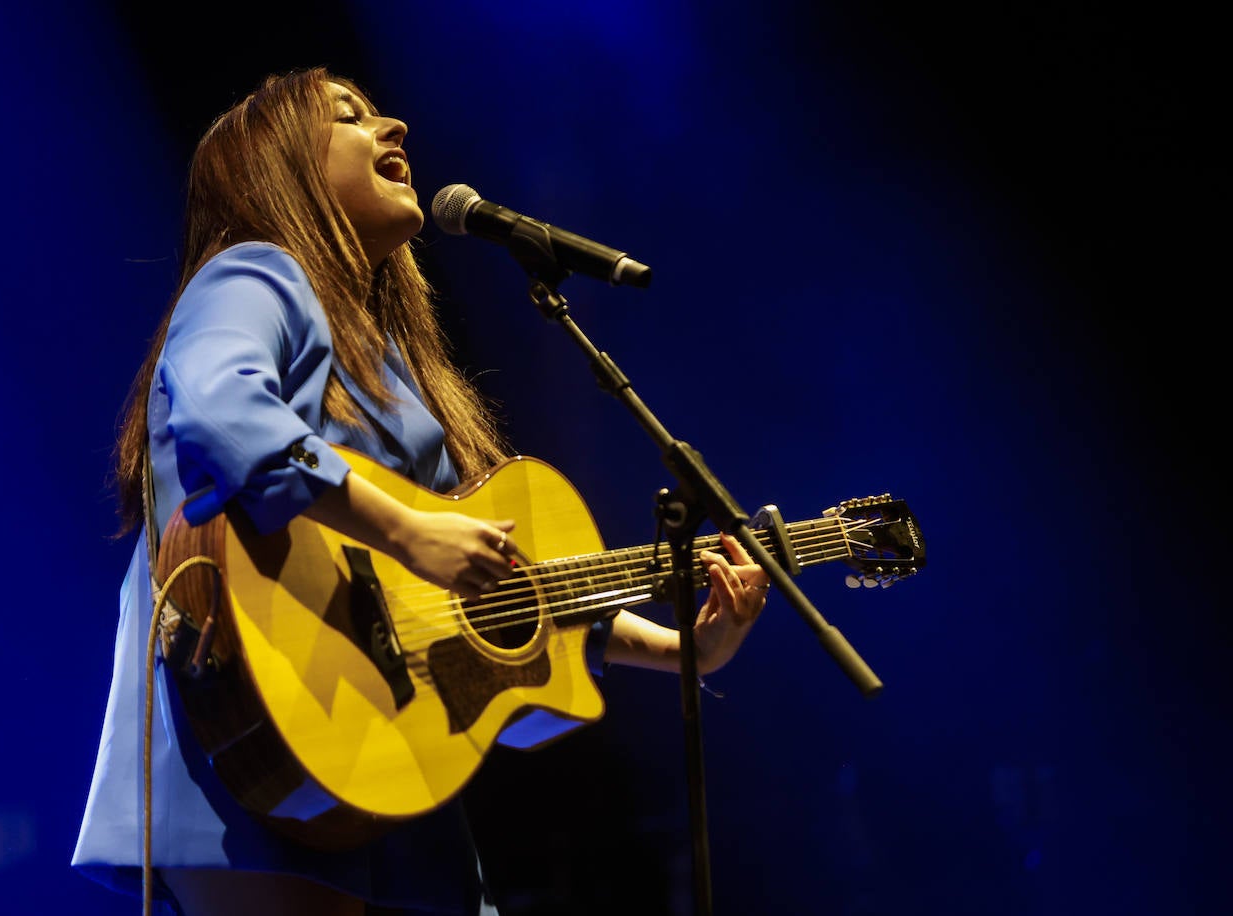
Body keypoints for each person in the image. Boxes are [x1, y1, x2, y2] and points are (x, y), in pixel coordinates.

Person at [72, 65, 770, 916]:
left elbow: (507, 588)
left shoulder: (395, 377)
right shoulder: (254, 276)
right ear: (278, 166)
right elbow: (222, 412)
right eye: (351, 118)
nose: (394, 125)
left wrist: (686, 647)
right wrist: (406, 532)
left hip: (384, 759)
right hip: (256, 725)